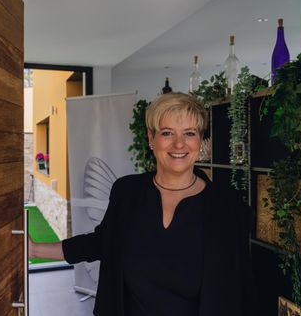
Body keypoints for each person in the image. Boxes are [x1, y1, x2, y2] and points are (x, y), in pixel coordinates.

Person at [29, 92, 254, 316]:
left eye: (189, 133)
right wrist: (36, 249)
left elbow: (240, 286)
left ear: (200, 140)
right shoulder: (127, 193)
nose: (179, 143)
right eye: (167, 133)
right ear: (150, 138)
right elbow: (101, 242)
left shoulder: (226, 207)